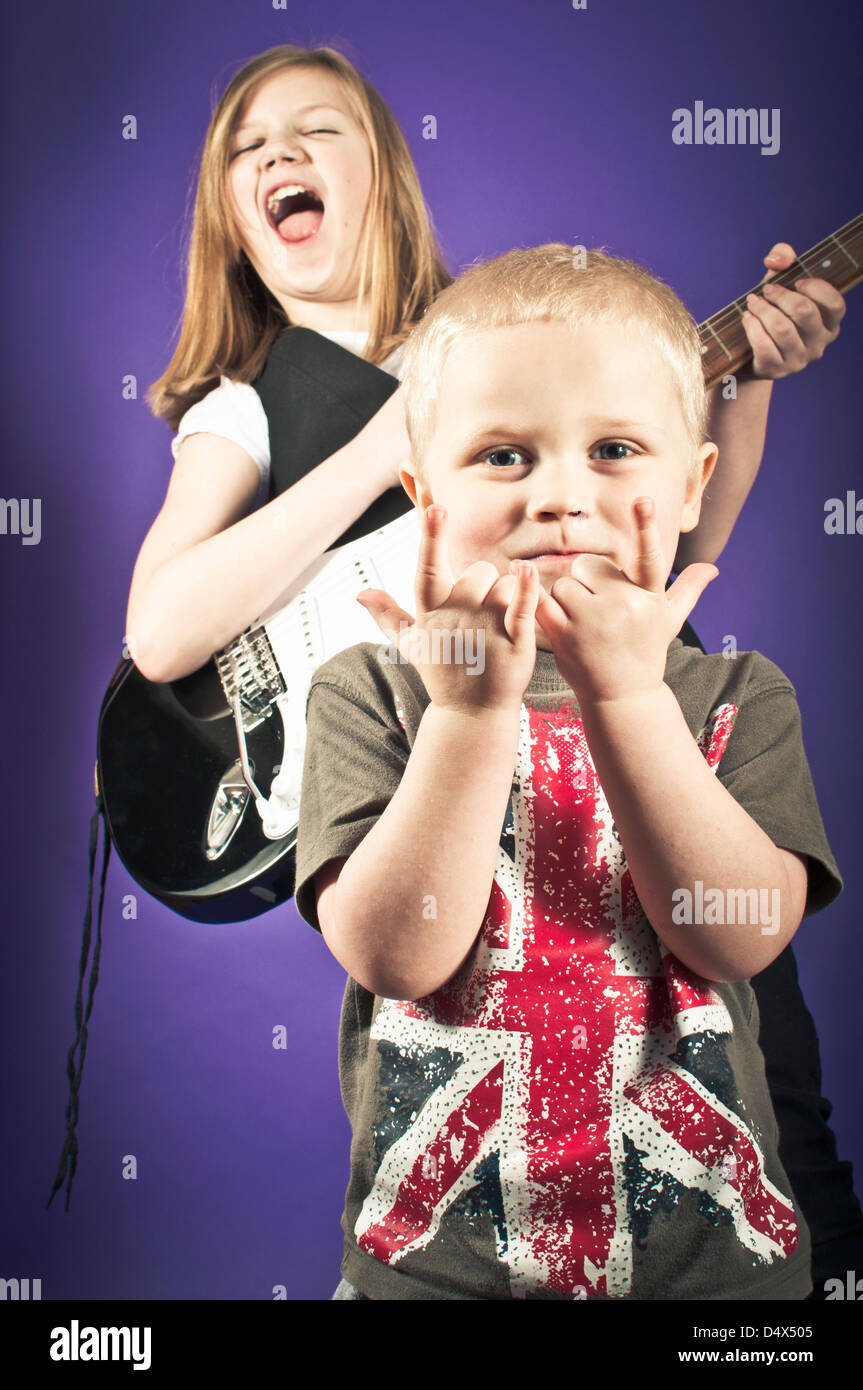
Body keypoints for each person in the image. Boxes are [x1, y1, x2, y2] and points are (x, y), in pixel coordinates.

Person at [121, 42, 859, 1292]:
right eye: (248, 148)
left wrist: (738, 398)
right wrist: (381, 445)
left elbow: (671, 543)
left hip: (655, 768)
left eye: (317, 131)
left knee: (764, 1085)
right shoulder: (250, 405)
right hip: (445, 748)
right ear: (230, 220)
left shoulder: (520, 326)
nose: (278, 155)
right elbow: (161, 632)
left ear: (385, 178)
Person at [293, 245, 845, 1300]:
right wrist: (466, 710)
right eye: (503, 455)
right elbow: (391, 955)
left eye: (613, 450)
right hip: (432, 1279)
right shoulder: (372, 690)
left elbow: (733, 933)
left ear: (690, 484)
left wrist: (632, 699)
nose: (558, 495)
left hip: (714, 1288)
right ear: (424, 497)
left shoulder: (733, 694)